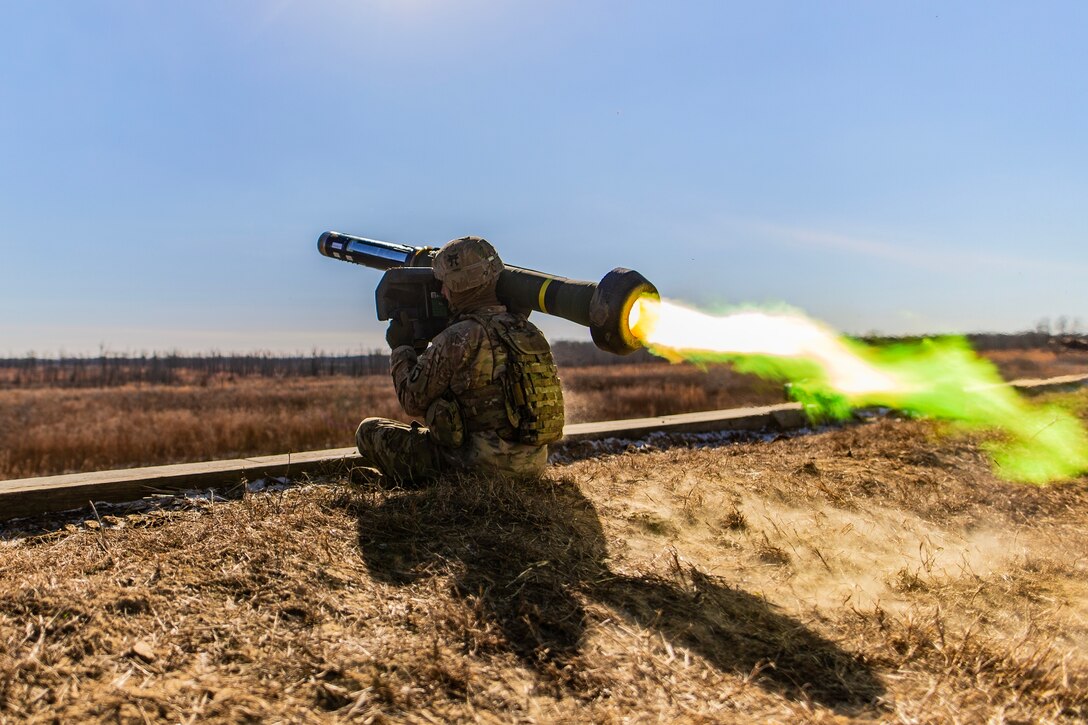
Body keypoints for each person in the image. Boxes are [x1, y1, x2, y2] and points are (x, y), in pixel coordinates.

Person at [355, 236, 565, 484]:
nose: (442, 291)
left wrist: (401, 347)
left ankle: (408, 481)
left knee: (369, 431)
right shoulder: (527, 329)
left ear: (457, 284)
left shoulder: (459, 337)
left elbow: (412, 399)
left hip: (474, 469)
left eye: (444, 284)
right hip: (531, 466)